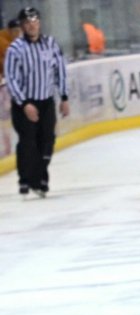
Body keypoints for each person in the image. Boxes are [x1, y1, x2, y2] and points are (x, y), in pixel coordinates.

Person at [3, 7, 69, 198]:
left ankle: (37, 177)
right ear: (22, 26)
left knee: (47, 140)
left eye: (34, 22)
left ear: (39, 23)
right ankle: (28, 180)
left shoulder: (51, 44)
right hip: (24, 103)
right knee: (28, 142)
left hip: (46, 101)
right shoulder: (15, 49)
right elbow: (11, 78)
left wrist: (64, 97)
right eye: (27, 23)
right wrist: (24, 103)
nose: (31, 26)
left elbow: (60, 71)